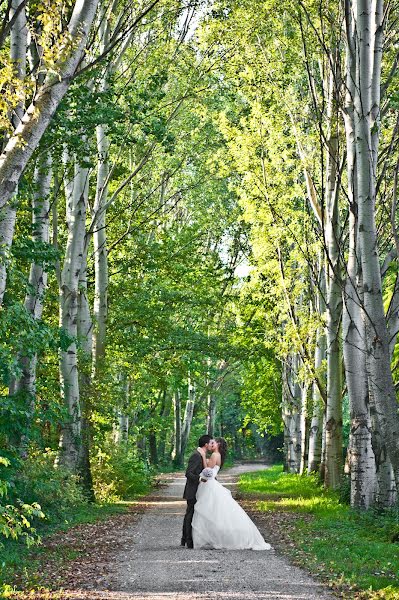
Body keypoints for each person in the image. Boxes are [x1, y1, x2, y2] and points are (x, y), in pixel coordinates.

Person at [191, 437, 271, 550]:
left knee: (211, 511)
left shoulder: (215, 455)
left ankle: (217, 538)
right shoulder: (217, 455)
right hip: (209, 483)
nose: (211, 444)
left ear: (218, 444)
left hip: (209, 484)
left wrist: (203, 456)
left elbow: (207, 471)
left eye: (214, 443)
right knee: (213, 512)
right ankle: (214, 537)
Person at [182, 434, 215, 549]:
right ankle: (188, 541)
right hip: (192, 490)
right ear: (206, 444)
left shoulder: (202, 455)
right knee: (190, 514)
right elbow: (188, 473)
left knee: (190, 513)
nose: (212, 445)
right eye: (211, 443)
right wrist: (200, 479)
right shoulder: (196, 456)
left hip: (198, 490)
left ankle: (185, 540)